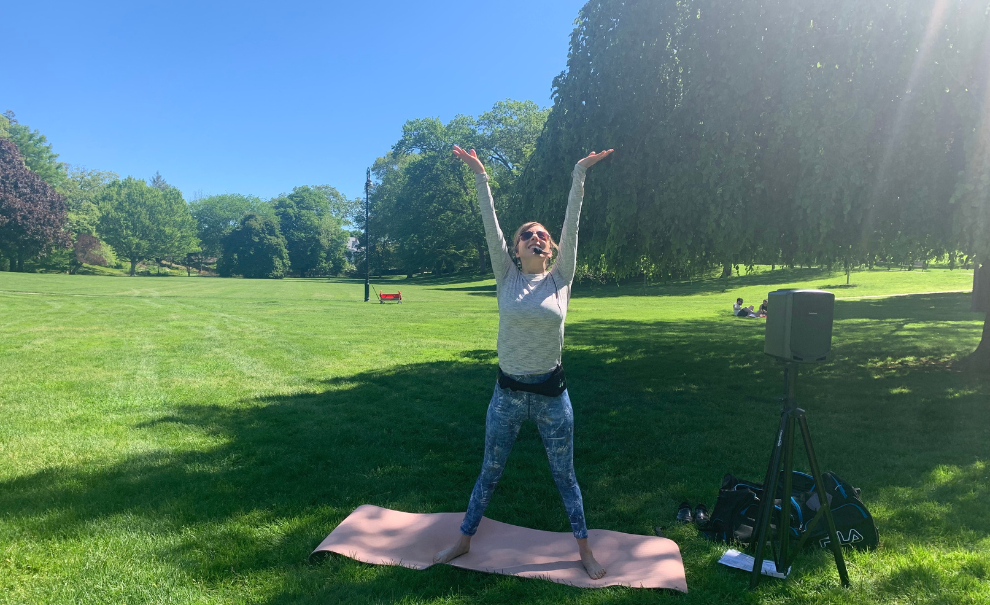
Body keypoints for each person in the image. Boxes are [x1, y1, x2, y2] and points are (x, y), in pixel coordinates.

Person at [433, 145, 614, 580]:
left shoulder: (561, 278)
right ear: (515, 249)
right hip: (508, 395)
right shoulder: (507, 277)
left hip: (552, 396)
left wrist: (579, 174)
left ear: (550, 248)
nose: (536, 237)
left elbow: (572, 226)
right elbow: (489, 223)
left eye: (542, 235)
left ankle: (584, 550)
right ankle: (463, 539)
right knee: (489, 472)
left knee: (565, 477)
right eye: (526, 235)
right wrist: (481, 176)